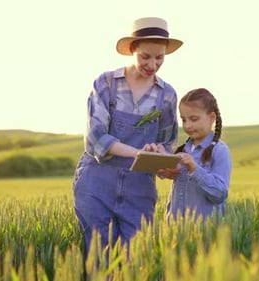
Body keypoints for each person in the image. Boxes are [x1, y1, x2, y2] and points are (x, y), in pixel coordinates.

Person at [72, 17, 183, 258]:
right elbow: (96, 137)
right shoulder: (106, 83)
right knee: (99, 257)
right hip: (98, 181)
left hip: (139, 186)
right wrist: (137, 153)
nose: (152, 64)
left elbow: (169, 141)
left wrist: (159, 154)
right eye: (145, 56)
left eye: (159, 58)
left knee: (136, 258)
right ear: (132, 50)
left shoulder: (167, 95)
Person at [161, 88, 232, 222]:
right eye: (183, 120)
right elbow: (167, 174)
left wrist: (194, 168)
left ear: (211, 118)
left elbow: (220, 194)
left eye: (194, 119)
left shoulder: (220, 151)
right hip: (176, 232)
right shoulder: (182, 150)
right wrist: (159, 157)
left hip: (205, 233)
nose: (187, 125)